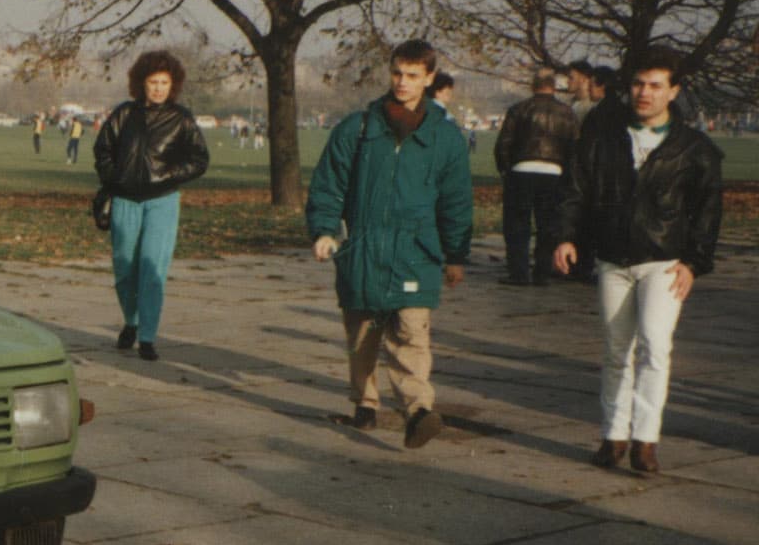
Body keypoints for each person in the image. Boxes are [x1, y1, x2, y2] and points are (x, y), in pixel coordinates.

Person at [554, 46, 722, 474]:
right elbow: (578, 190)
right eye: (638, 84)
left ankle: (646, 440)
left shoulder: (693, 148)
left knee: (655, 346)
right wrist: (568, 236)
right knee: (615, 350)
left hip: (664, 261)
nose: (644, 93)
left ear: (674, 91)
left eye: (655, 85)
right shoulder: (604, 137)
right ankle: (614, 436)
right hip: (613, 259)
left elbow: (706, 211)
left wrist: (694, 262)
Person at [306, 39, 472, 449]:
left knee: (411, 336)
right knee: (363, 335)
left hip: (418, 252)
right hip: (363, 247)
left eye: (413, 76)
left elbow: (456, 201)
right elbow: (329, 183)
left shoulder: (446, 138)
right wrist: (325, 231)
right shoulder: (359, 128)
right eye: (397, 73)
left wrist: (455, 255)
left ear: (429, 78)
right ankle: (364, 405)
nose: (402, 82)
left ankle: (418, 411)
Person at [92, 50, 209, 362]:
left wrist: (168, 175)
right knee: (124, 268)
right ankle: (131, 321)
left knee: (152, 268)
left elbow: (199, 160)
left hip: (162, 202)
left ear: (173, 85)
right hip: (125, 201)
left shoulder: (181, 119)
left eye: (164, 83)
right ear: (141, 83)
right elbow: (103, 149)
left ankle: (147, 336)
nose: (158, 88)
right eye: (153, 82)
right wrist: (114, 178)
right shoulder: (123, 115)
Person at [492, 66, 578, 286]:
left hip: (522, 170)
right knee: (548, 224)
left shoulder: (519, 109)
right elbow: (574, 148)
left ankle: (518, 272)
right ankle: (542, 272)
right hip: (554, 172)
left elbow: (503, 145)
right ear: (553, 85)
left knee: (517, 224)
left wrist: (506, 170)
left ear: (533, 85)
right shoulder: (567, 113)